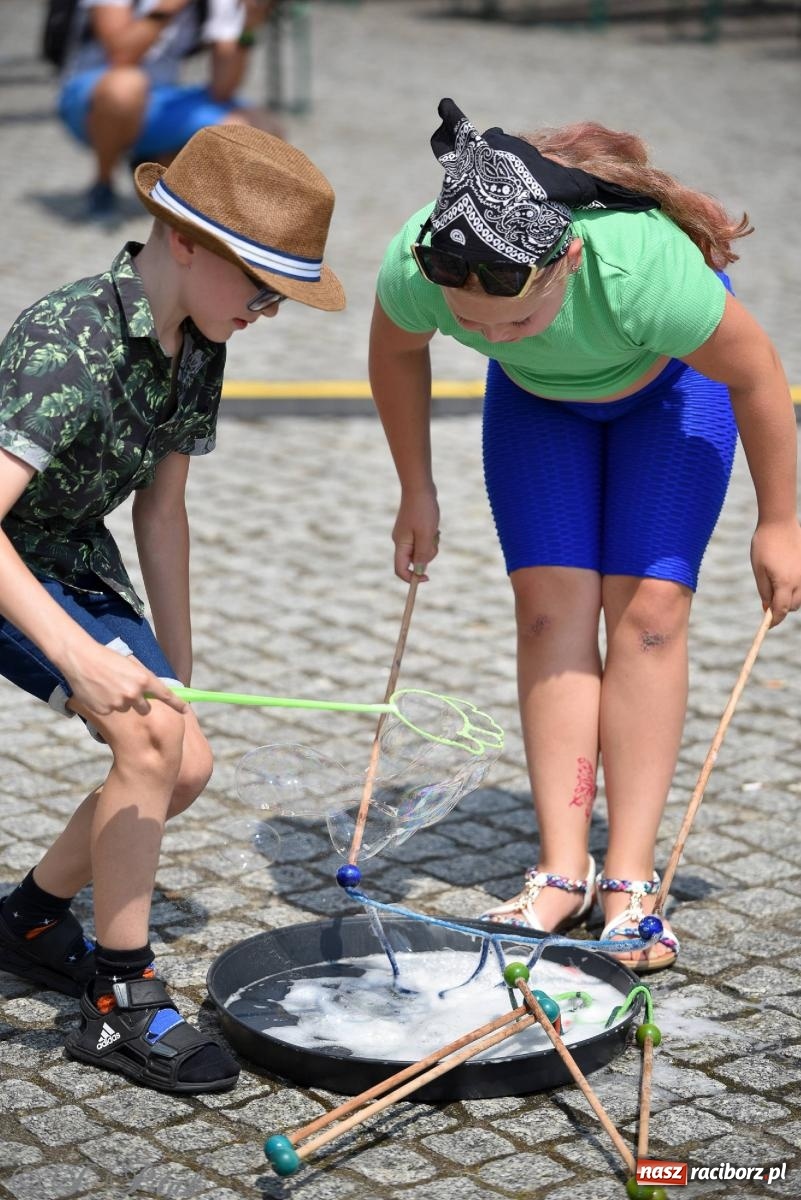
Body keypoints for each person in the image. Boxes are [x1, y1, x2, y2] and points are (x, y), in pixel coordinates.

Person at [369, 98, 801, 973]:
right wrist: (416, 488)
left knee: (648, 617)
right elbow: (396, 353)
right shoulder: (419, 260)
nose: (492, 334)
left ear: (565, 259)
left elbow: (756, 377)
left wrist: (780, 521)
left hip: (669, 394)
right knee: (546, 614)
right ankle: (562, 871)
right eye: (472, 325)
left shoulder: (641, 270)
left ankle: (630, 881)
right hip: (538, 406)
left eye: (515, 320)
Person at [0, 123, 344, 1090]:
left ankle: (27, 922)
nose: (268, 311)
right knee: (147, 744)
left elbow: (162, 509)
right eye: (261, 287)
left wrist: (175, 670)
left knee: (180, 757)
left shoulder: (197, 340)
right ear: (186, 241)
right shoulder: (67, 342)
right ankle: (120, 999)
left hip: (64, 557)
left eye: (281, 296)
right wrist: (79, 657)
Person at [57, 0, 281, 218]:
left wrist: (246, 28)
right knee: (127, 86)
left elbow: (223, 90)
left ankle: (157, 165)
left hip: (163, 98)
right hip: (93, 96)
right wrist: (168, 6)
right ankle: (103, 183)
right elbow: (121, 54)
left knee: (257, 131)